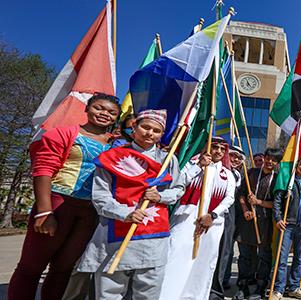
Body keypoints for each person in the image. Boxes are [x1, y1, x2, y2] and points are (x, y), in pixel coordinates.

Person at [75, 109, 198, 299]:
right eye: (145, 127)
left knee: (149, 292)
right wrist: (126, 213)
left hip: (154, 237)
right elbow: (100, 196)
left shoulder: (168, 159)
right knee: (109, 292)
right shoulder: (113, 156)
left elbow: (178, 188)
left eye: (156, 131)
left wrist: (160, 197)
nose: (150, 133)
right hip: (115, 232)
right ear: (134, 127)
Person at [8, 93, 120, 300]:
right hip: (59, 204)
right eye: (99, 108)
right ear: (86, 110)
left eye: (111, 112)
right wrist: (44, 211)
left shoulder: (118, 144)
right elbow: (43, 169)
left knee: (64, 268)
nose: (104, 114)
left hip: (90, 211)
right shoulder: (63, 134)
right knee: (31, 266)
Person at [160, 137, 237, 299]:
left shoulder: (227, 174)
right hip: (187, 218)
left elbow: (229, 198)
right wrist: (199, 166)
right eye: (215, 147)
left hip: (213, 224)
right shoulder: (192, 165)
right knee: (177, 255)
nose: (218, 151)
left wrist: (213, 215)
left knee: (204, 261)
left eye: (222, 149)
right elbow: (179, 182)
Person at [235, 148, 282, 300]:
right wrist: (245, 210)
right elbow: (241, 194)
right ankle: (243, 287)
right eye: (268, 158)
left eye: (274, 160)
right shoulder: (251, 173)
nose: (270, 162)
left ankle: (260, 288)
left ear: (277, 163)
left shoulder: (278, 179)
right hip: (247, 221)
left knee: (264, 256)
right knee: (245, 256)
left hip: (265, 223)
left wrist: (258, 202)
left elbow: (277, 203)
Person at [270, 156, 301, 300]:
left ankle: (294, 287)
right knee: (282, 258)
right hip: (287, 225)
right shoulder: (289, 182)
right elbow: (277, 201)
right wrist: (278, 218)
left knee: (299, 258)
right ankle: (279, 289)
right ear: (296, 167)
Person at [210, 145, 246, 300]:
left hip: (231, 219)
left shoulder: (239, 176)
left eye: (239, 158)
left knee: (225, 253)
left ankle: (216, 289)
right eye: (233, 156)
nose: (236, 159)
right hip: (214, 215)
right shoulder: (215, 169)